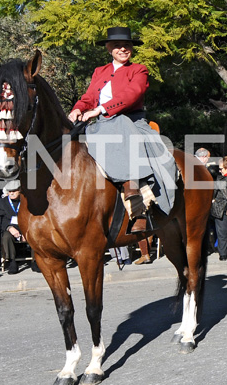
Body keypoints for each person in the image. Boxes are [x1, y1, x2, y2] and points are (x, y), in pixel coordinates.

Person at [68, 26, 166, 233]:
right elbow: (88, 97)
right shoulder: (99, 71)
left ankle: (138, 203)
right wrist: (78, 109)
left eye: (127, 45)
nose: (123, 49)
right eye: (117, 46)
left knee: (120, 129)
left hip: (129, 120)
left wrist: (100, 109)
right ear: (109, 49)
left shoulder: (139, 69)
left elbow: (133, 93)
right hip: (101, 124)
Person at [0, 180, 28, 274]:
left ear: (20, 190)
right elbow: (0, 218)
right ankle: (12, 261)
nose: (11, 193)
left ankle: (35, 260)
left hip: (26, 226)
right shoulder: (1, 202)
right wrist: (9, 227)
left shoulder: (26, 200)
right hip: (10, 226)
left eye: (14, 190)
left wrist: (26, 230)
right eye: (10, 191)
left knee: (35, 234)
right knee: (6, 236)